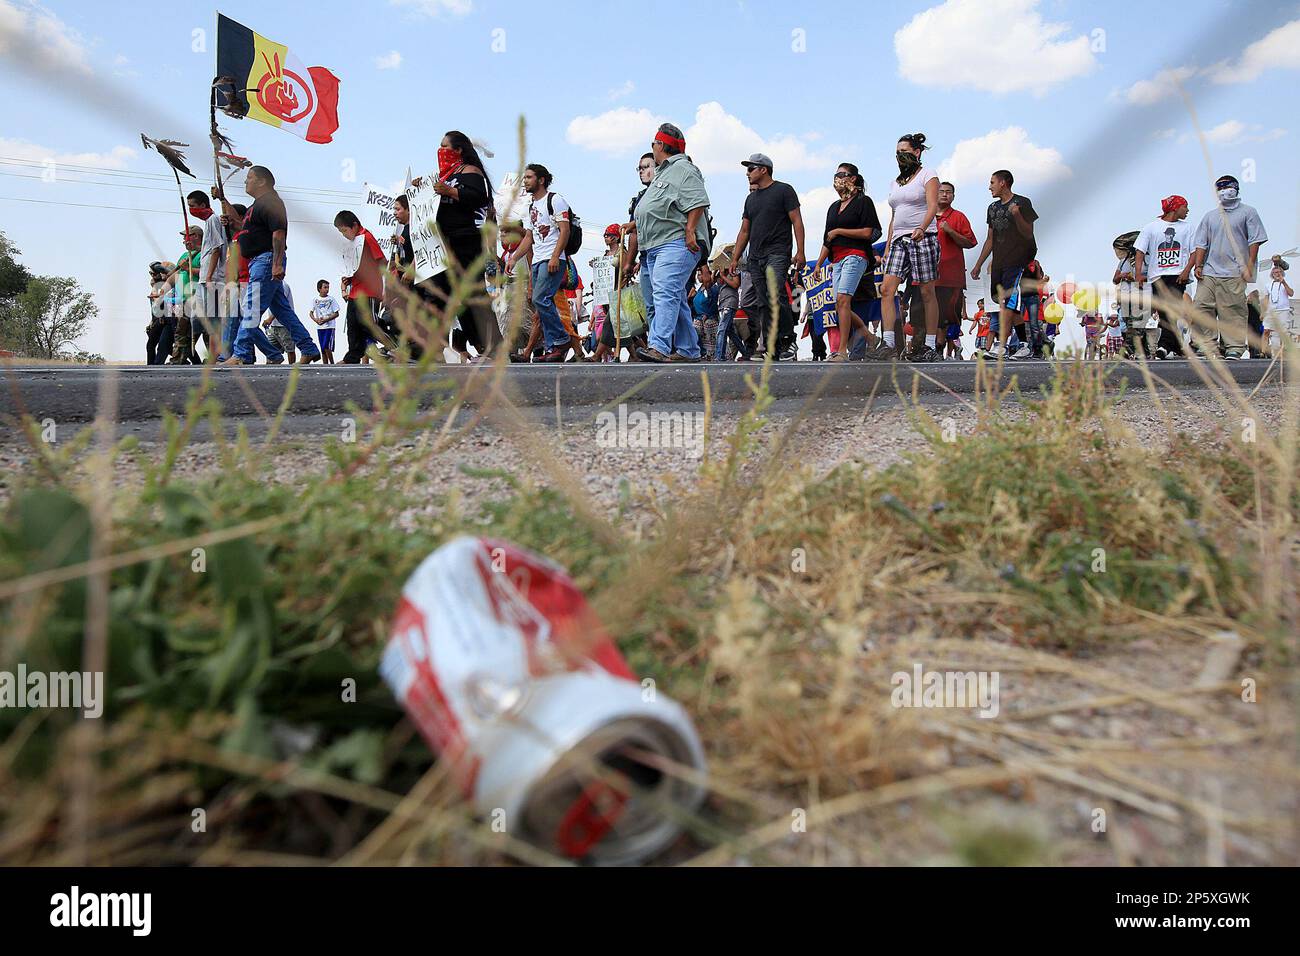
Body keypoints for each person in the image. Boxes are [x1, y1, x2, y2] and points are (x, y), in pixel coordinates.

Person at [215, 166, 321, 366]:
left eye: (249, 177)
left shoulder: (272, 202)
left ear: (262, 181)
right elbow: (242, 226)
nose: (246, 181)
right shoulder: (256, 206)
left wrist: (277, 263)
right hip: (260, 261)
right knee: (283, 311)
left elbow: (278, 232)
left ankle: (241, 354)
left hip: (265, 261)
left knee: (251, 307)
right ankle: (308, 348)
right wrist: (224, 204)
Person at [412, 130, 501, 363]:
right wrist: (421, 187)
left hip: (465, 241)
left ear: (459, 150)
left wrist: (450, 191)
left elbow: (479, 197)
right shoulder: (445, 174)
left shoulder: (470, 172)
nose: (440, 150)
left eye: (444, 146)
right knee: (437, 296)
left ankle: (493, 348)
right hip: (444, 244)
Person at [632, 123, 710, 363]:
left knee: (665, 292)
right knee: (672, 295)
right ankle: (688, 349)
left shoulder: (683, 168)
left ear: (662, 145)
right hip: (656, 245)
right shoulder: (664, 172)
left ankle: (659, 346)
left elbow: (697, 200)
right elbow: (662, 208)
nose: (652, 148)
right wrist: (634, 224)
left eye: (653, 144)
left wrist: (689, 231)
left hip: (675, 243)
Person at [728, 152, 804, 361]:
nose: (747, 173)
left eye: (751, 168)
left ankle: (788, 340)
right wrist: (734, 258)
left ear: (764, 169)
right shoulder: (750, 199)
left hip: (778, 252)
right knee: (763, 303)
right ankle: (772, 347)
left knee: (776, 295)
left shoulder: (784, 190)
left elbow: (797, 220)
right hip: (755, 257)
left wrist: (800, 250)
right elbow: (744, 231)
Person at [1182, 174, 1268, 359]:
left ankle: (1234, 347)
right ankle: (1207, 346)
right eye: (1219, 188)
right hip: (1210, 271)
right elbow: (1201, 243)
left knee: (1232, 310)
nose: (1222, 191)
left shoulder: (1248, 212)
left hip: (1235, 271)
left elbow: (1255, 241)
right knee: (1201, 307)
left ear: (1235, 188)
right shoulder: (1210, 216)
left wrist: (1249, 266)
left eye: (1226, 187)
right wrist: (1198, 265)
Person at [881, 133, 942, 362]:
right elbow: (894, 216)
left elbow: (932, 205)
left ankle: (929, 345)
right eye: (897, 153)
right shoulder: (895, 183)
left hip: (922, 238)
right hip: (898, 240)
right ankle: (888, 344)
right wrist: (888, 246)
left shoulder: (928, 174)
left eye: (904, 152)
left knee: (926, 291)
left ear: (917, 152)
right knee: (887, 289)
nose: (900, 156)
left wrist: (922, 228)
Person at [504, 163, 574, 362]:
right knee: (541, 304)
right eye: (524, 178)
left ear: (541, 180)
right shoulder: (531, 207)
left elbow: (565, 230)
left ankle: (561, 339)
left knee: (540, 300)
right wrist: (514, 257)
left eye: (528, 177)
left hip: (552, 259)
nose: (525, 182)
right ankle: (553, 348)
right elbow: (529, 237)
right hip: (538, 260)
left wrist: (555, 256)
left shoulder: (555, 200)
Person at [812, 163, 882, 360]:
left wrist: (840, 231)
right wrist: (818, 263)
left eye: (842, 174)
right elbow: (828, 239)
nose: (838, 178)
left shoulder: (863, 201)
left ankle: (842, 351)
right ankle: (869, 337)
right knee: (839, 304)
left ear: (853, 178)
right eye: (836, 174)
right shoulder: (833, 207)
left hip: (856, 254)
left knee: (843, 300)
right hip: (837, 259)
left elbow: (868, 232)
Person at [971, 169, 1038, 359]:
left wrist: (1017, 215)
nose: (989, 186)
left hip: (1018, 257)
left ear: (1003, 183)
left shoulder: (1022, 202)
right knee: (1002, 301)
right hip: (999, 259)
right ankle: (1024, 345)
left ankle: (1001, 345)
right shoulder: (992, 208)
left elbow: (1028, 233)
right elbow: (990, 239)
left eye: (992, 182)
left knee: (1007, 300)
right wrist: (978, 264)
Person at [1135, 194, 1194, 358]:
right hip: (1156, 276)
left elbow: (1194, 251)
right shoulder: (1151, 227)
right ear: (1175, 208)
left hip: (1177, 275)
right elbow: (1139, 251)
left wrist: (1186, 270)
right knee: (1162, 312)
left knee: (1172, 309)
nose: (1188, 210)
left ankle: (1163, 345)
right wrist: (1139, 274)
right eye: (1185, 206)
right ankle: (1176, 346)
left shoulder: (1188, 227)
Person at [334, 209, 388, 364]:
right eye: (340, 232)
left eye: (344, 230)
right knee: (353, 326)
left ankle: (395, 347)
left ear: (355, 226)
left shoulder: (367, 237)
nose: (343, 234)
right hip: (355, 291)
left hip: (369, 290)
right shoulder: (351, 244)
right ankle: (352, 357)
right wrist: (348, 279)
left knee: (370, 323)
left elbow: (382, 261)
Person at [935, 180, 977, 357]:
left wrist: (951, 231)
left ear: (953, 196)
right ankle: (924, 348)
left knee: (946, 316)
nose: (945, 194)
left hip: (950, 276)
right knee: (924, 314)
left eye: (949, 192)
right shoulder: (925, 215)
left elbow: (970, 242)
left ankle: (939, 350)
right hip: (926, 275)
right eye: (941, 191)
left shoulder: (958, 217)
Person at [262, 282, 298, 363]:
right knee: (270, 350)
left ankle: (291, 370)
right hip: (273, 326)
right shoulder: (271, 285)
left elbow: (281, 306)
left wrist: (269, 319)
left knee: (289, 349)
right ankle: (270, 370)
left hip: (283, 325)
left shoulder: (283, 286)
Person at [1265, 258, 1294, 352]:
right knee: (1268, 330)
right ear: (1272, 275)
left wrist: (1283, 282)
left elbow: (1291, 293)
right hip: (1271, 311)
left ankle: (1282, 350)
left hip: (1283, 310)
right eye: (1275, 272)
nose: (1277, 274)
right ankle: (1268, 351)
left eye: (1279, 272)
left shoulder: (1286, 283)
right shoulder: (1268, 285)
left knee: (1282, 331)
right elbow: (1266, 298)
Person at [692, 263, 719, 359]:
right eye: (698, 274)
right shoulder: (698, 289)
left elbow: (713, 303)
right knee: (695, 331)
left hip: (709, 318)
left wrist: (707, 315)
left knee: (709, 330)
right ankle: (700, 353)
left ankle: (711, 355)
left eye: (701, 274)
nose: (699, 276)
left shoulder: (711, 288)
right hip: (698, 317)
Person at [310, 279, 340, 364]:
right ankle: (325, 365)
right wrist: (316, 320)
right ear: (319, 289)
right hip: (320, 327)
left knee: (327, 346)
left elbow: (336, 313)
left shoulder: (331, 299)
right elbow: (311, 313)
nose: (327, 289)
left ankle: (332, 363)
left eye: (328, 287)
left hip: (330, 326)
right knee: (322, 347)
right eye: (325, 287)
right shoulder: (315, 300)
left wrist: (326, 319)